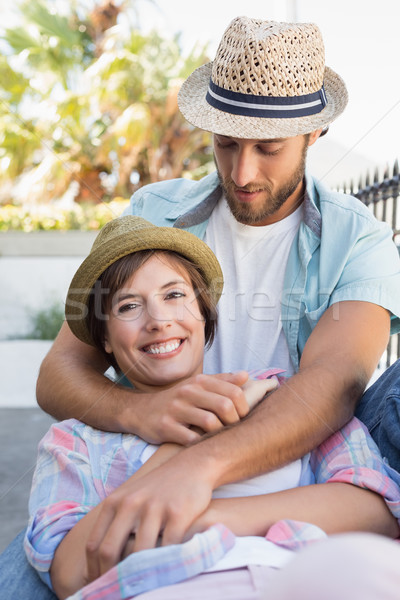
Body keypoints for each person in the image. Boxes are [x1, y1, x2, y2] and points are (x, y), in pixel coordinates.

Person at [1, 14, 400, 597]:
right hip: (141, 462)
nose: (243, 172)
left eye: (268, 148)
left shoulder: (358, 239)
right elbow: (61, 371)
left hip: (293, 462)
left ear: (314, 135)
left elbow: (334, 383)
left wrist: (198, 469)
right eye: (227, 144)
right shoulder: (152, 211)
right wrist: (144, 417)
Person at [23, 215, 400, 600]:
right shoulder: (75, 443)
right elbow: (70, 571)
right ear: (104, 338)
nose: (158, 320)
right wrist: (189, 437)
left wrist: (200, 520)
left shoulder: (276, 396)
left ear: (203, 311)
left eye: (173, 295)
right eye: (129, 306)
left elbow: (377, 512)